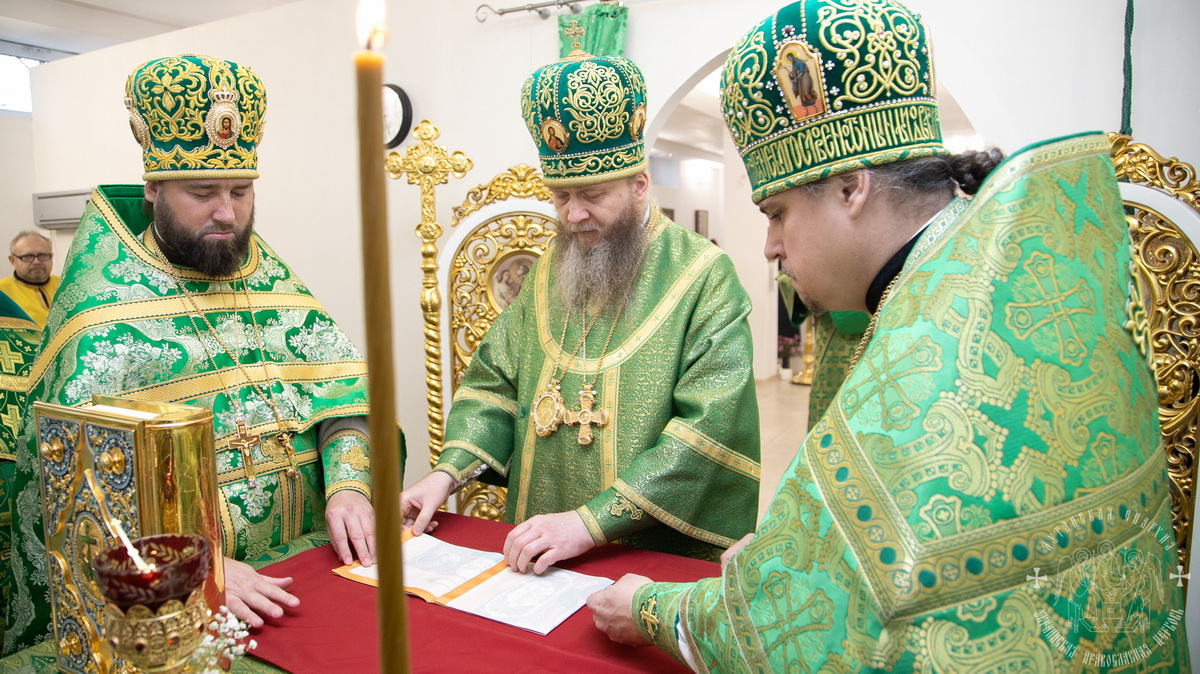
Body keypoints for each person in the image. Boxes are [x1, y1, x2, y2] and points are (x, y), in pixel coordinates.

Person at [587, 1, 1190, 670]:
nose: (770, 247)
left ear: (852, 189)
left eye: (777, 213)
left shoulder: (934, 345)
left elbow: (820, 631)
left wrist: (652, 608)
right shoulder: (987, 278)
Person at [5, 54, 379, 653]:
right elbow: (74, 498)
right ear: (153, 189)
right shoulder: (99, 311)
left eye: (240, 190)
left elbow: (343, 402)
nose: (227, 212)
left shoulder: (271, 280)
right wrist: (198, 571)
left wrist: (350, 486)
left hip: (313, 570)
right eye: (203, 192)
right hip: (185, 612)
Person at [401, 42, 761, 572]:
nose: (572, 215)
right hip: (537, 545)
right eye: (561, 196)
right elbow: (494, 384)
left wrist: (591, 522)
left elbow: (709, 429)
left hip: (641, 558)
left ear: (639, 185)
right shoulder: (551, 267)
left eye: (592, 194)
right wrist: (446, 472)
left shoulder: (705, 276)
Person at [0, 231, 60, 328]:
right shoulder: (2, 292)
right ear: (12, 260)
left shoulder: (66, 285)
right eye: (27, 256)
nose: (36, 262)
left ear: (51, 256)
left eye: (42, 255)